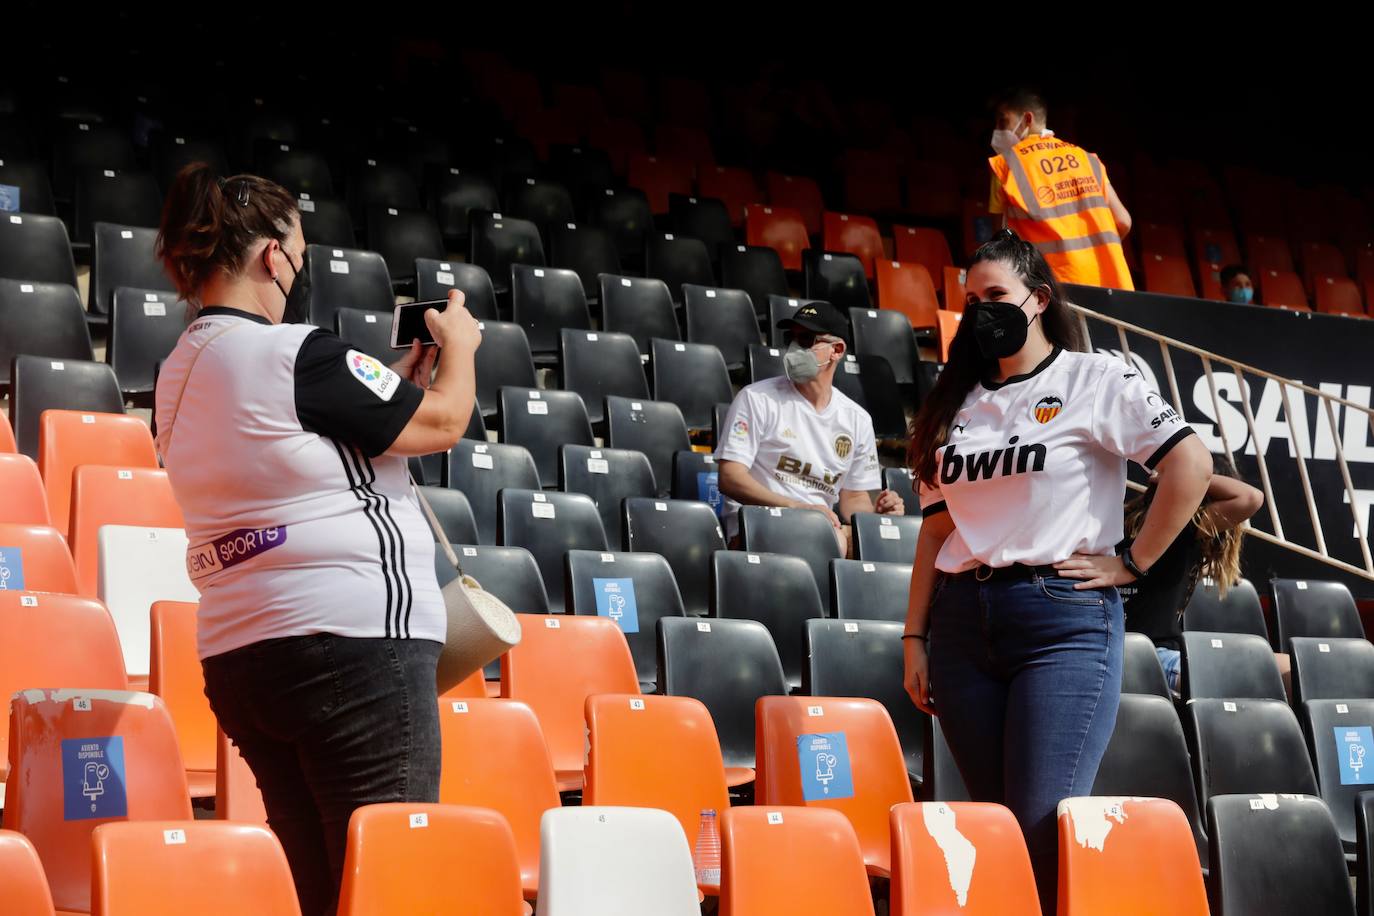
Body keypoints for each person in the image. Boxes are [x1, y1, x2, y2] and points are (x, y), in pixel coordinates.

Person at [152, 165, 482, 915]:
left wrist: (390, 383)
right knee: (392, 883)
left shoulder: (177, 372)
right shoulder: (294, 351)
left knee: (327, 890)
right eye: (298, 251)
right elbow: (442, 424)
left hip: (244, 655)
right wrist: (459, 347)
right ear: (274, 256)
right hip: (353, 649)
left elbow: (289, 448)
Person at [901, 229, 1213, 914]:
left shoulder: (1096, 378)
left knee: (1042, 828)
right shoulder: (954, 402)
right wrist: (914, 638)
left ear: (1038, 299)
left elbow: (1191, 466)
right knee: (998, 831)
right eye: (970, 299)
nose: (981, 311)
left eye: (995, 296)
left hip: (1062, 619)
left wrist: (1133, 562)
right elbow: (934, 532)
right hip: (959, 627)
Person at [715, 300, 904, 555]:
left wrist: (877, 513)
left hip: (821, 530)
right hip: (755, 526)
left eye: (807, 339)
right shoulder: (756, 398)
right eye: (791, 338)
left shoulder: (856, 419)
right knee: (833, 541)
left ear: (836, 350)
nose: (794, 348)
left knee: (891, 541)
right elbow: (729, 478)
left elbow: (853, 501)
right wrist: (795, 507)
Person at [1121, 455, 1266, 695]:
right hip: (1154, 657)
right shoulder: (1179, 529)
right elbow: (1250, 498)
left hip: (1139, 654)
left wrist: (1178, 475)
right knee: (1260, 678)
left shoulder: (1123, 520)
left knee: (1284, 666)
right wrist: (1188, 475)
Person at [987, 88, 1135, 291]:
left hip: (1052, 289)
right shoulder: (1087, 159)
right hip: (1108, 283)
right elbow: (1123, 221)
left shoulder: (1005, 165)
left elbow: (1000, 238)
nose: (997, 130)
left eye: (1003, 121)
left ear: (1027, 119)